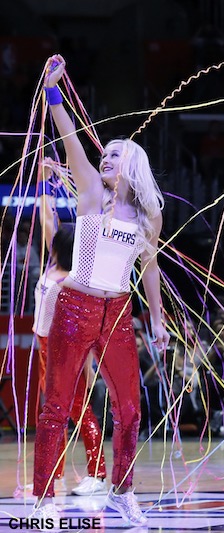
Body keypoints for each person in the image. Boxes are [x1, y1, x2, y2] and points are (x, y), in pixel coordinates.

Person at [32, 55, 169, 527]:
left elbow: (148, 266)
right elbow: (69, 136)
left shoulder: (150, 215)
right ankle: (44, 499)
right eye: (104, 153)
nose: (105, 158)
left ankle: (122, 490)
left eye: (115, 153)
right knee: (56, 405)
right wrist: (53, 90)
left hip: (118, 312)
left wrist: (157, 319)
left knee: (129, 408)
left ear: (134, 164)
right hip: (75, 305)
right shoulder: (90, 191)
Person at [32, 158, 108, 497]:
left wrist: (89, 366)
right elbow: (47, 218)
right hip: (45, 345)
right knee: (52, 409)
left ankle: (98, 472)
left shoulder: (76, 280)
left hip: (66, 352)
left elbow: (84, 328)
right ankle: (56, 470)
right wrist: (44, 181)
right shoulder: (53, 265)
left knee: (77, 408)